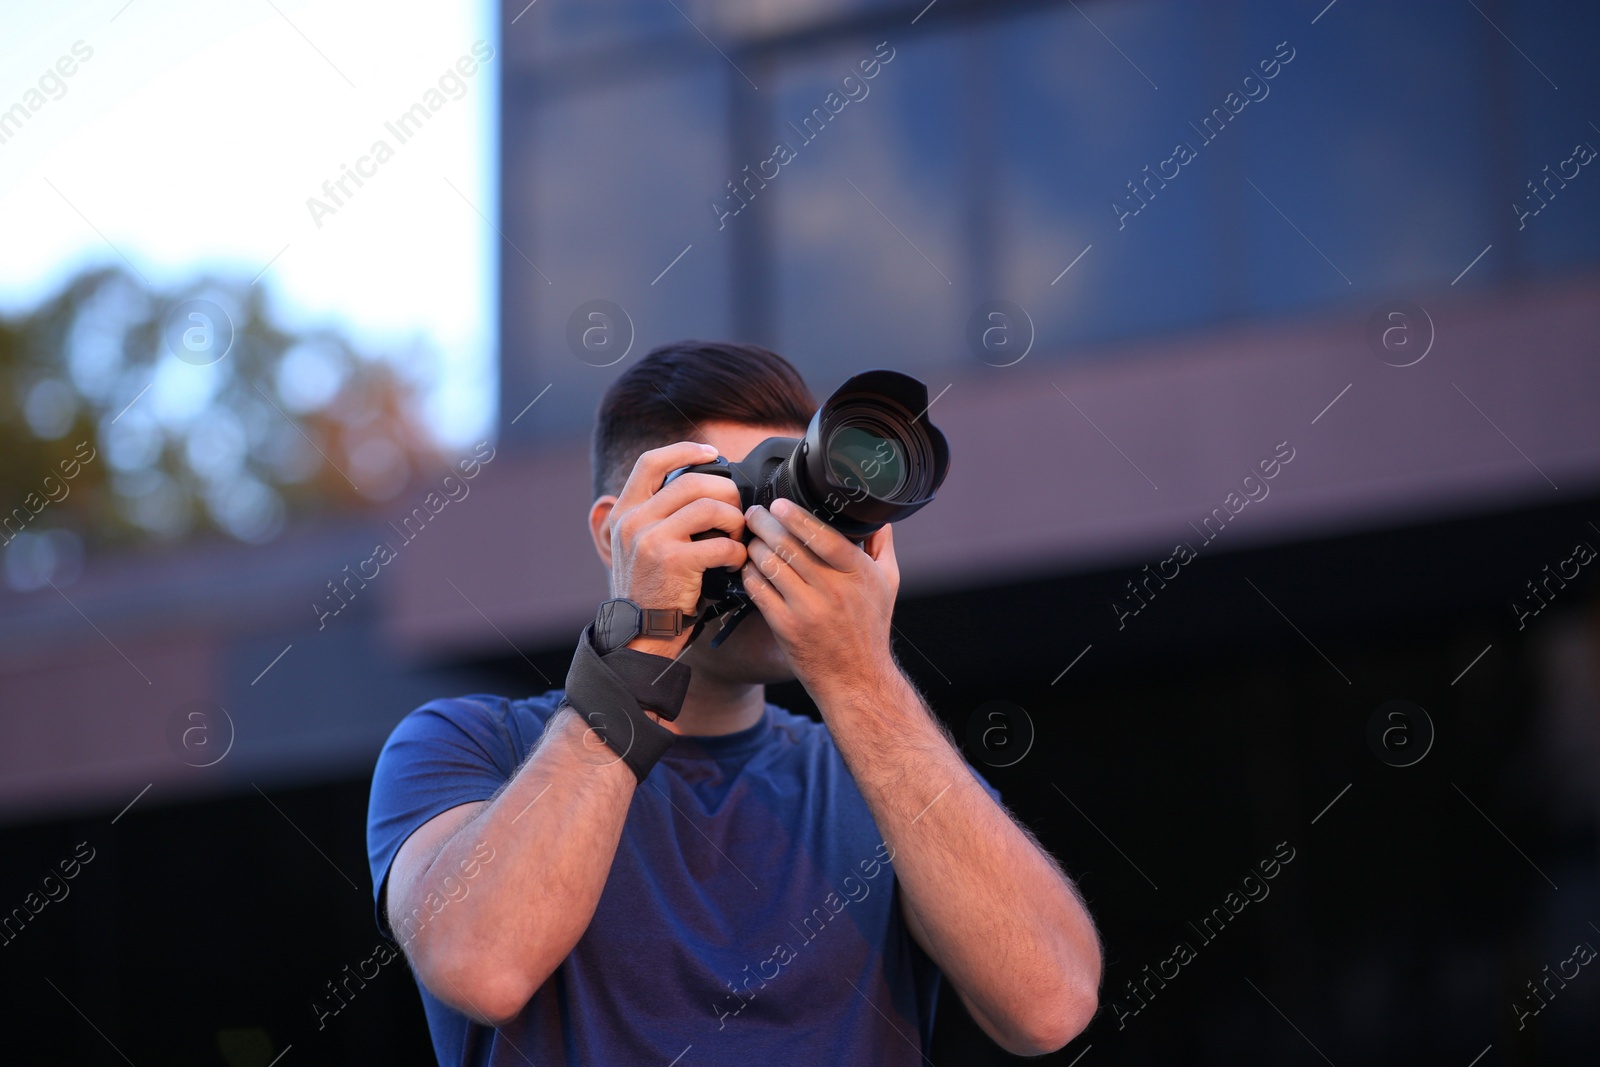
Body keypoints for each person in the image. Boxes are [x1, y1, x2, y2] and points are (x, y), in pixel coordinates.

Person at [366, 341, 1102, 1064]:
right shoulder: (470, 745)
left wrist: (861, 677)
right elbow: (482, 967)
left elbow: (1050, 1006)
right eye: (734, 500)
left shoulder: (882, 772)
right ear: (616, 532)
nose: (779, 539)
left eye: (802, 506)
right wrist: (644, 635)